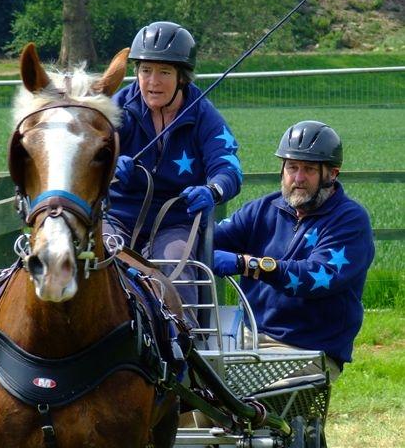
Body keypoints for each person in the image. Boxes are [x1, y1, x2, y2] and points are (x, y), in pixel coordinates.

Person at [103, 21, 243, 325]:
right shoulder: (117, 108)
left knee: (175, 264)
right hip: (116, 218)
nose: (153, 82)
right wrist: (109, 165)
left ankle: (184, 351)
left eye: (164, 72)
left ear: (182, 77)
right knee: (97, 258)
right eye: (145, 71)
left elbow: (228, 167)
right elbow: (88, 153)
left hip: (175, 222)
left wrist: (213, 191)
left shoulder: (203, 114)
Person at [212, 120, 374, 380]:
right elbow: (208, 241)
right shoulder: (262, 209)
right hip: (247, 336)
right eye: (292, 167)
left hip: (308, 348)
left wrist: (248, 265)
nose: (298, 178)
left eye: (309, 169)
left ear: (332, 174)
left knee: (236, 403)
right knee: (188, 396)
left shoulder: (349, 220)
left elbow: (318, 276)